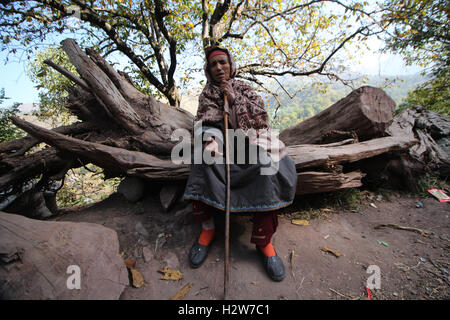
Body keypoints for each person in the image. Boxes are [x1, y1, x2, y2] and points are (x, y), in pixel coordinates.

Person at [183, 46, 297, 281]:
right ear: (208, 69)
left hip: (250, 139)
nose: (218, 68)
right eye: (213, 64)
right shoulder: (206, 94)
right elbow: (203, 121)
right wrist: (211, 140)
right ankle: (207, 230)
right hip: (223, 143)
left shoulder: (244, 87)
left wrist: (234, 99)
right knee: (202, 158)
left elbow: (260, 118)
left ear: (230, 65)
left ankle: (264, 241)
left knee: (267, 163)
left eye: (222, 62)